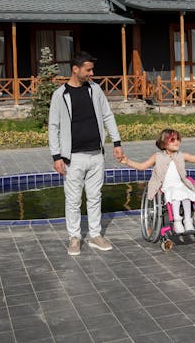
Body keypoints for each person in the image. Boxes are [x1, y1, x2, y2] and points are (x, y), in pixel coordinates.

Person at [48, 51, 123, 256]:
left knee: (94, 197)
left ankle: (95, 235)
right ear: (75, 69)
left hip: (96, 155)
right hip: (73, 157)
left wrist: (116, 142)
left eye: (92, 69)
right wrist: (56, 156)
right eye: (88, 70)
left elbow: (107, 115)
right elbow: (53, 127)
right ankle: (74, 237)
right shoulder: (60, 95)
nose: (92, 73)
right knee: (72, 199)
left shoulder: (95, 90)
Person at [120, 129, 195, 233]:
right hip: (166, 187)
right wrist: (127, 161)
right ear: (163, 143)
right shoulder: (158, 157)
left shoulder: (181, 155)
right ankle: (177, 221)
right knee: (175, 194)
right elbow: (142, 166)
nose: (176, 142)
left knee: (187, 194)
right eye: (172, 140)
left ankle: (188, 220)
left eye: (178, 139)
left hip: (180, 184)